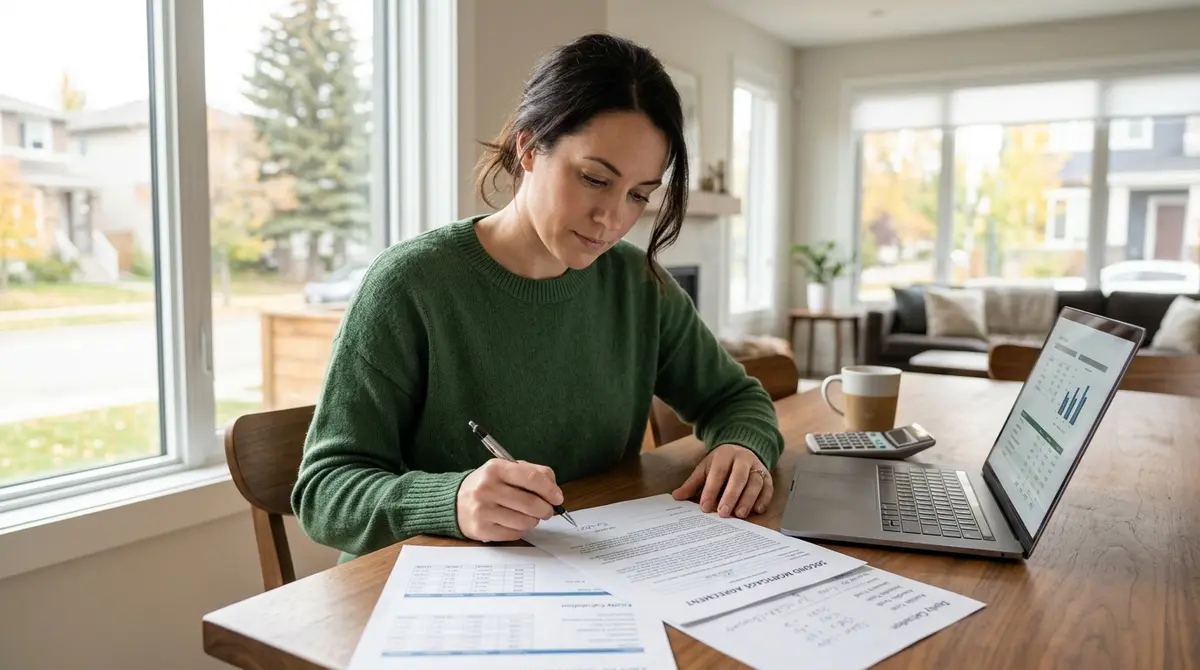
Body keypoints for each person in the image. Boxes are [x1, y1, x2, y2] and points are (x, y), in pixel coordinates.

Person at [292, 33, 784, 562]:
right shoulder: (409, 285)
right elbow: (324, 492)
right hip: (428, 590)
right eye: (595, 179)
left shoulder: (638, 284)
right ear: (528, 147)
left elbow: (736, 399)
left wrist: (741, 446)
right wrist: (450, 500)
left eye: (639, 195)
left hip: (593, 570)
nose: (613, 219)